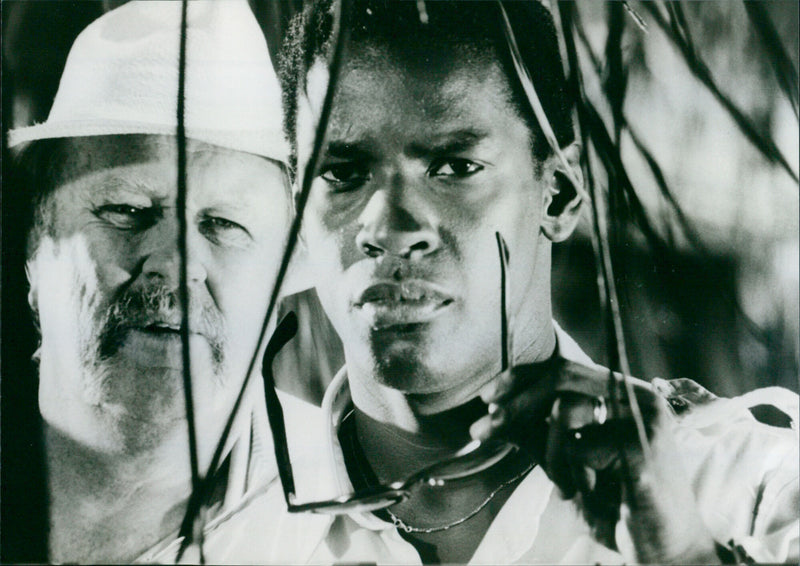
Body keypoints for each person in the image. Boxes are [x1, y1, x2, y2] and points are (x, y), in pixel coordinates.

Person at [275, 0, 800, 563]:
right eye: (342, 173)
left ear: (558, 194)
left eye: (454, 167)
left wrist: (682, 554)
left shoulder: (749, 481)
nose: (388, 228)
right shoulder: (220, 509)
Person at [6, 1, 319, 562]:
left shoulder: (349, 527)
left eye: (224, 225)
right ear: (33, 241)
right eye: (127, 211)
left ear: (283, 272)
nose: (175, 266)